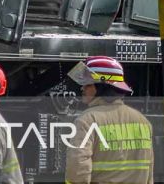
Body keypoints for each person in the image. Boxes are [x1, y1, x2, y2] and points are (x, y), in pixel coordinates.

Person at [64, 56, 153, 184]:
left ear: (102, 87)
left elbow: (78, 166)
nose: (82, 88)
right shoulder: (143, 121)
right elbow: (149, 170)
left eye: (88, 84)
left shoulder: (87, 120)